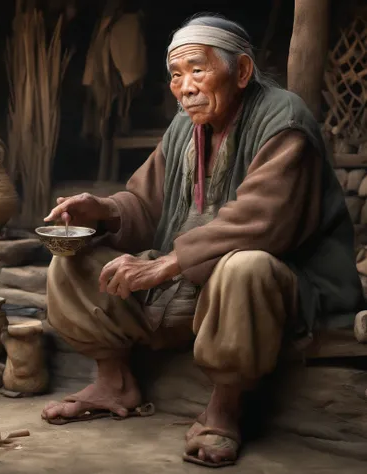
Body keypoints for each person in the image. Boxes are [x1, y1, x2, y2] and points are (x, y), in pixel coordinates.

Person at [41, 13, 364, 468]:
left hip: (271, 290)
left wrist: (165, 264)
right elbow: (144, 201)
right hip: (187, 282)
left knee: (244, 265)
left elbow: (263, 221)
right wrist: (105, 211)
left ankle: (225, 407)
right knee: (72, 262)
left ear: (243, 72)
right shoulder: (183, 125)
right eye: (176, 75)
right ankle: (114, 381)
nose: (185, 86)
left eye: (197, 69)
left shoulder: (284, 120)